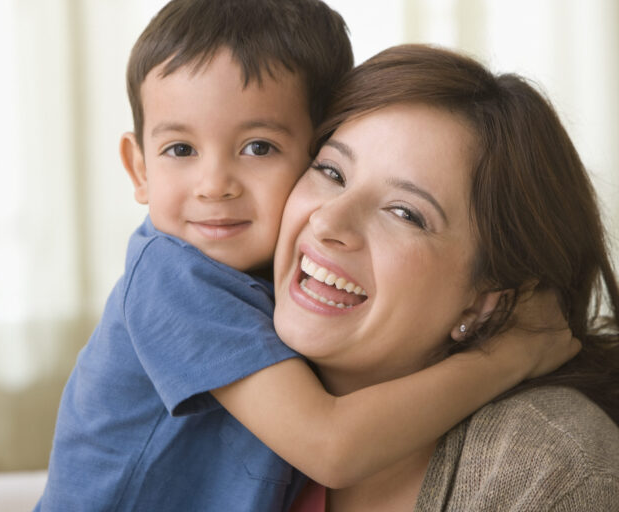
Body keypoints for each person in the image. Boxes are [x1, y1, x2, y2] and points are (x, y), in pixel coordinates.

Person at [35, 1, 579, 509]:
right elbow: (330, 447)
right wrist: (512, 357)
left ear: (311, 147)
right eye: (180, 149)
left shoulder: (289, 286)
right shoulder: (173, 276)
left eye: (258, 148)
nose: (214, 184)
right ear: (139, 168)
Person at [276, 44, 619, 511]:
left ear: (486, 301)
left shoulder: (553, 471)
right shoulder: (209, 310)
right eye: (332, 171)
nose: (328, 223)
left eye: (405, 213)